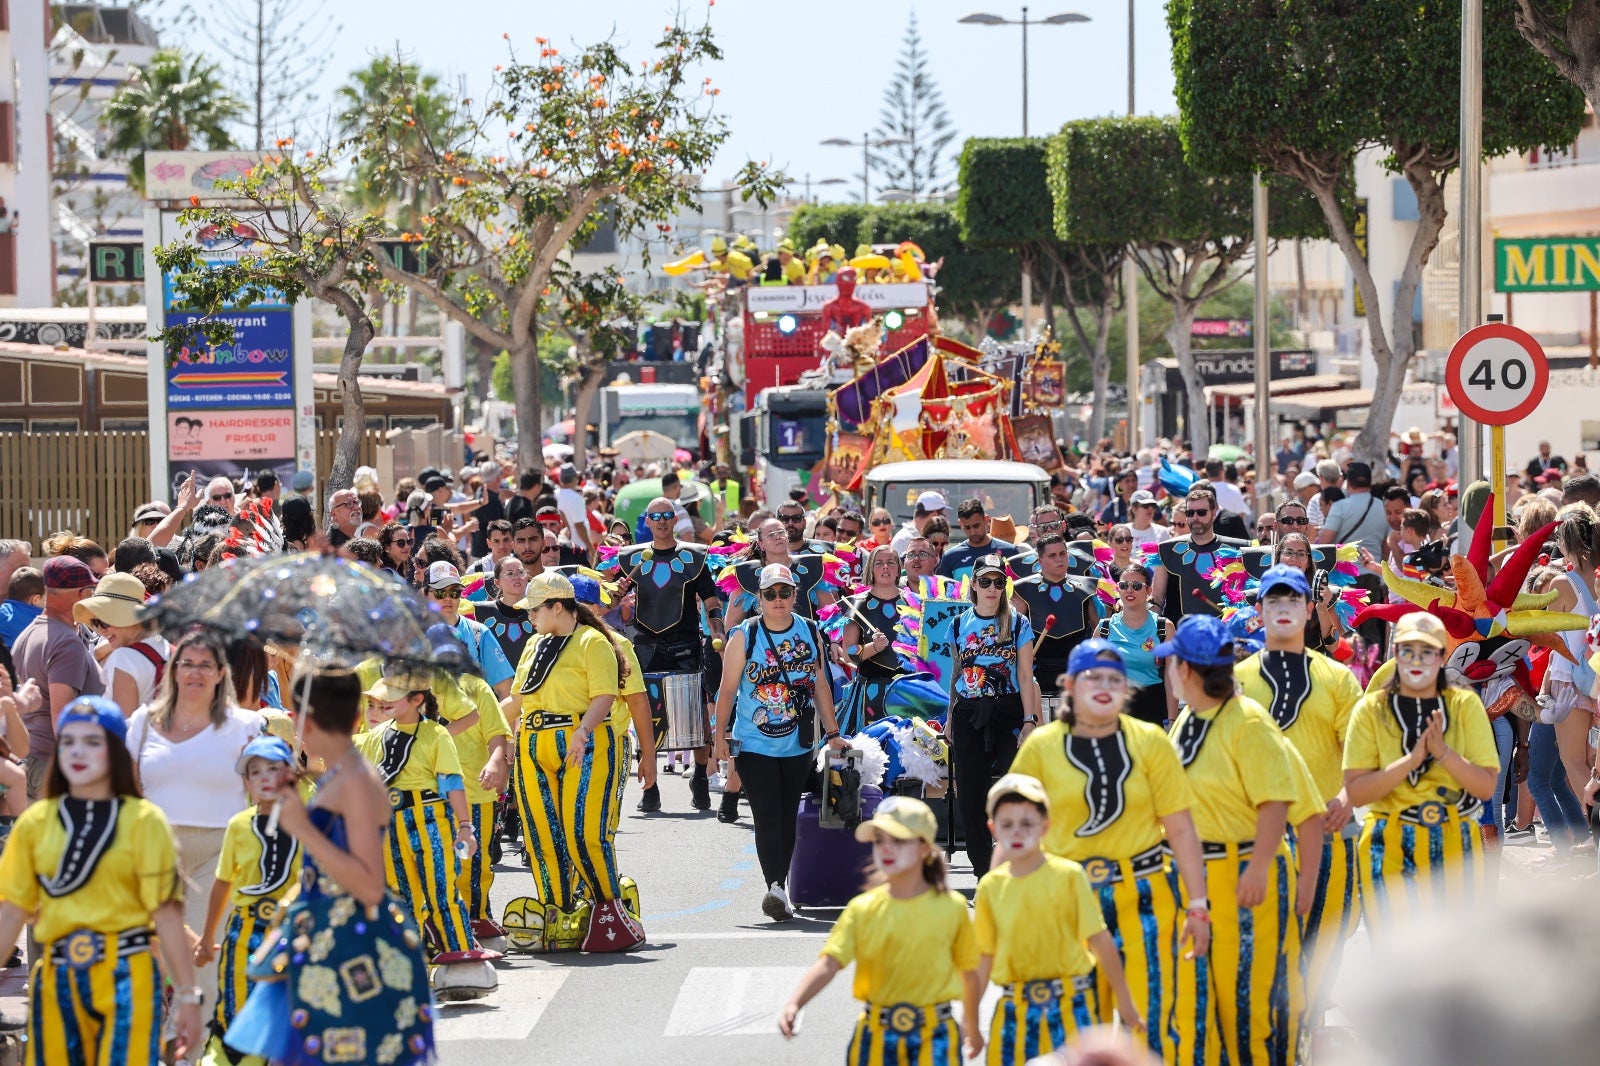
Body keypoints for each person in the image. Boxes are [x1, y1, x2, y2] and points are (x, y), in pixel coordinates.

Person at [1009, 640, 1209, 1063]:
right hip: (1065, 900)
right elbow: (1013, 833)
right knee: (1075, 1027)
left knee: (1154, 1018)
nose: (1103, 685)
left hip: (1146, 897)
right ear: (1069, 685)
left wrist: (1197, 905)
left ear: (1127, 688)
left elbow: (1181, 829)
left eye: (1114, 679)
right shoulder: (1041, 746)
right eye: (1092, 677)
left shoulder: (1152, 741)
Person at [223, 667, 435, 1064]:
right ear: (357, 718)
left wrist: (304, 828)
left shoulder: (355, 781)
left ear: (305, 721)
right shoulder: (340, 775)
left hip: (348, 942)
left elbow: (371, 886)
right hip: (326, 934)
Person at [0, 696, 202, 1064]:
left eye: (93, 742)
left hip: (129, 976)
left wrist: (188, 996)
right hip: (58, 977)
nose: (79, 751)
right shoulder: (34, 823)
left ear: (113, 751)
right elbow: (12, 913)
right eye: (70, 741)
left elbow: (168, 917)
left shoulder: (146, 821)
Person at [1160, 614, 1304, 1066]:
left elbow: (1275, 802)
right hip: (1200, 876)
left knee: (1249, 1009)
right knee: (1203, 1011)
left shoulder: (1248, 721)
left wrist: (1259, 866)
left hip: (1244, 871)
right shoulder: (1191, 717)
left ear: (1185, 670)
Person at [1232, 564, 1364, 1024]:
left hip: (1328, 831)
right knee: (1263, 949)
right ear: (1259, 610)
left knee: (1322, 947)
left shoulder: (1339, 678)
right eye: (1274, 601)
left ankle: (1307, 1036)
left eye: (1293, 601)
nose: (1284, 609)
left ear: (1311, 610)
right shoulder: (1236, 680)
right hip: (1257, 835)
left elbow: (1361, 752)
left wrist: (1347, 801)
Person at [503, 571, 644, 952]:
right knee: (541, 839)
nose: (528, 615)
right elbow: (517, 701)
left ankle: (610, 912)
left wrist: (582, 732)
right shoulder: (534, 645)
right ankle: (559, 913)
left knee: (583, 835)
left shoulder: (592, 641)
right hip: (533, 743)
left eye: (534, 608)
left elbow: (604, 696)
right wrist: (478, 724)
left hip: (583, 743)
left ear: (556, 606)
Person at [778, 798, 981, 1062]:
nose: (887, 848)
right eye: (880, 840)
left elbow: (968, 972)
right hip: (876, 1033)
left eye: (898, 841)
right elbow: (829, 962)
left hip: (936, 1034)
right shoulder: (864, 908)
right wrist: (795, 1002)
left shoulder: (951, 907)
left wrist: (972, 1025)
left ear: (924, 848)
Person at [126, 629, 263, 1017]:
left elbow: (262, 793)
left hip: (220, 854)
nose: (195, 673)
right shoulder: (142, 722)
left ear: (221, 673)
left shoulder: (245, 725)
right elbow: (128, 787)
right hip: (154, 853)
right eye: (187, 664)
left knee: (205, 955)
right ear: (173, 670)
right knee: (153, 956)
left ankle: (194, 1051)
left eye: (206, 665)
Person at [1342, 612, 1498, 939]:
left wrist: (1443, 753)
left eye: (1427, 652)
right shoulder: (1371, 710)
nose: (1416, 660)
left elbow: (1485, 786)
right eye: (1407, 650)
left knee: (1456, 956)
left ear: (1442, 656)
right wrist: (1411, 761)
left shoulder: (1465, 705)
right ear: (1394, 653)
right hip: (1389, 840)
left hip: (1455, 838)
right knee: (1397, 956)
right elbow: (1356, 793)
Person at [975, 774, 1144, 1062]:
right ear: (993, 829)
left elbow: (1100, 940)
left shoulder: (1068, 875)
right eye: (1007, 824)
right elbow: (984, 957)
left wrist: (1125, 1003)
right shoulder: (991, 887)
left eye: (1027, 823)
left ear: (1046, 825)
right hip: (1013, 1009)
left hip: (1071, 1006)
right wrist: (970, 1018)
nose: (1017, 832)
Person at [713, 563, 848, 920]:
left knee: (787, 815)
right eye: (770, 593)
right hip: (753, 742)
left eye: (784, 592)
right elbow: (726, 691)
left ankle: (780, 886)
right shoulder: (745, 635)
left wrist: (833, 734)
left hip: (799, 742)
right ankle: (774, 886)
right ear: (759, 598)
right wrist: (719, 738)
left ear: (794, 596)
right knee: (767, 814)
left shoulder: (810, 631)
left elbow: (820, 685)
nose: (778, 600)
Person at [357, 670, 500, 990]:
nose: (380, 707)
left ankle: (463, 960)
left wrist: (465, 827)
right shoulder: (375, 737)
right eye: (376, 702)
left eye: (389, 699)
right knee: (401, 895)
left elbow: (452, 782)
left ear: (416, 699)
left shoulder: (436, 735)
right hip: (390, 823)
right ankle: (411, 964)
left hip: (429, 818)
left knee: (440, 889)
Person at [193, 735, 302, 1062]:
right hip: (245, 930)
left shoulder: (307, 821)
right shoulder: (239, 825)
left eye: (273, 768)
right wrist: (207, 936)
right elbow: (222, 884)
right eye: (255, 772)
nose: (265, 777)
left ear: (289, 774)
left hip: (292, 932)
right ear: (246, 782)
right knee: (237, 1006)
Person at [616, 497, 725, 813]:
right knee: (645, 719)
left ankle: (701, 781)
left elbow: (711, 599)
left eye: (668, 515)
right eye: (656, 516)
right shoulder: (632, 559)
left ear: (675, 519)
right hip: (645, 646)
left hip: (685, 643)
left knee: (696, 716)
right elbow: (609, 602)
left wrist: (717, 630)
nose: (662, 521)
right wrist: (616, 593)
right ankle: (650, 788)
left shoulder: (693, 558)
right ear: (647, 521)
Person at [947, 554, 1039, 879]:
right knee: (971, 796)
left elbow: (1027, 675)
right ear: (973, 584)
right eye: (984, 581)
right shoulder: (958, 624)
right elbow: (956, 674)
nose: (991, 588)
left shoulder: (1018, 623)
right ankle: (983, 873)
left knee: (1015, 791)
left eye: (998, 582)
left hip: (1009, 710)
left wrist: (1030, 720)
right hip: (970, 712)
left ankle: (1019, 866)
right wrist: (948, 719)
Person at [12, 555, 103, 798]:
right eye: (90, 590)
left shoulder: (28, 633)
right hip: (54, 767)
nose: (91, 596)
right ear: (81, 594)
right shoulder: (65, 643)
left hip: (30, 762)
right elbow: (62, 716)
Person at [1010, 534, 1100, 701]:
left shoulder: (1086, 587)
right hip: (1037, 669)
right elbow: (1013, 631)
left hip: (1076, 669)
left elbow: (1098, 629)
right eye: (1052, 555)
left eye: (1062, 554)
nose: (1059, 559)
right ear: (1040, 560)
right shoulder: (1022, 589)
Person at [73, 571, 168, 717]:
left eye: (104, 622)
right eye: (95, 622)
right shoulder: (166, 647)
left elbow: (122, 726)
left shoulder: (122, 658)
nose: (100, 630)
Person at [837, 544, 910, 733]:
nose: (885, 567)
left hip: (908, 690)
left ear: (898, 569)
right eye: (879, 563)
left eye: (890, 562)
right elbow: (848, 653)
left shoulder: (915, 601)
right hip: (869, 691)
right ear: (871, 569)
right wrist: (873, 647)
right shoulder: (857, 604)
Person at [1151, 485, 1248, 623]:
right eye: (1190, 513)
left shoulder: (1237, 549)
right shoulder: (1166, 550)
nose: (1195, 517)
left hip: (1224, 634)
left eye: (1201, 512)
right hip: (1179, 634)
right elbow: (1157, 599)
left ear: (1214, 513)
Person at [1094, 562, 1175, 725]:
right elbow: (1091, 675)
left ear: (1149, 591)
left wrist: (1172, 719)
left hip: (1153, 708)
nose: (1129, 590)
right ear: (1118, 589)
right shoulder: (1104, 628)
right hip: (1114, 710)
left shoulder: (1164, 627)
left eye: (1137, 586)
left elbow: (1171, 676)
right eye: (1124, 585)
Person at [423, 562, 514, 698]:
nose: (448, 598)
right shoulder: (411, 633)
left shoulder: (479, 633)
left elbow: (506, 692)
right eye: (440, 592)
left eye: (454, 592)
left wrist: (492, 719)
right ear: (424, 594)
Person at [938, 499, 1020, 581]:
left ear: (986, 520)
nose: (972, 531)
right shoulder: (950, 557)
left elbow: (1020, 590)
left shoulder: (1010, 551)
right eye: (967, 527)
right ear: (960, 524)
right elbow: (944, 591)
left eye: (976, 526)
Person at [476, 555, 535, 667]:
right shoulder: (480, 612)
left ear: (527, 577)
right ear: (497, 582)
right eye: (510, 574)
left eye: (520, 572)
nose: (517, 577)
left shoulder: (540, 612)